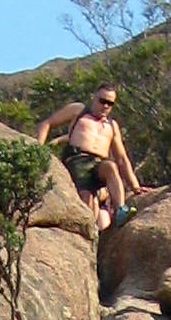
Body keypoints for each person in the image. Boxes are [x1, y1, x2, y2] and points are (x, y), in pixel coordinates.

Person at [35, 85, 141, 230]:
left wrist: (135, 187)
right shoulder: (79, 111)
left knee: (111, 167)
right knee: (88, 205)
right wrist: (37, 151)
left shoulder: (112, 125)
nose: (105, 106)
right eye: (102, 101)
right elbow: (47, 123)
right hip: (78, 160)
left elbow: (122, 158)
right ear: (94, 98)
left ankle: (120, 211)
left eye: (110, 103)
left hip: (99, 164)